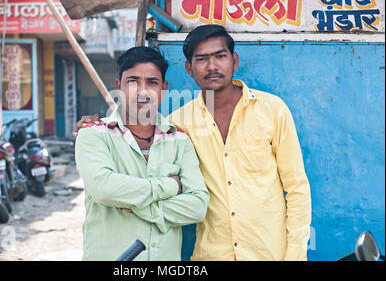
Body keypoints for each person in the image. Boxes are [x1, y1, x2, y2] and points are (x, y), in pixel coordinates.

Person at [75, 25, 312, 261]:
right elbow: (105, 183)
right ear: (189, 68)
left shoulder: (272, 110)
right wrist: (170, 186)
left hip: (269, 253)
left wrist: (295, 255)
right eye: (201, 59)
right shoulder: (178, 125)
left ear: (234, 61)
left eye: (220, 56)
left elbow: (297, 188)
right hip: (212, 256)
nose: (212, 66)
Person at [74, 46, 209, 261]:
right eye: (133, 81)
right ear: (119, 86)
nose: (142, 91)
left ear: (163, 89)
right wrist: (170, 186)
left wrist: (135, 206)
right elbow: (103, 189)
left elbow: (197, 207)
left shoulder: (180, 140)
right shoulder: (94, 135)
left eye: (152, 82)